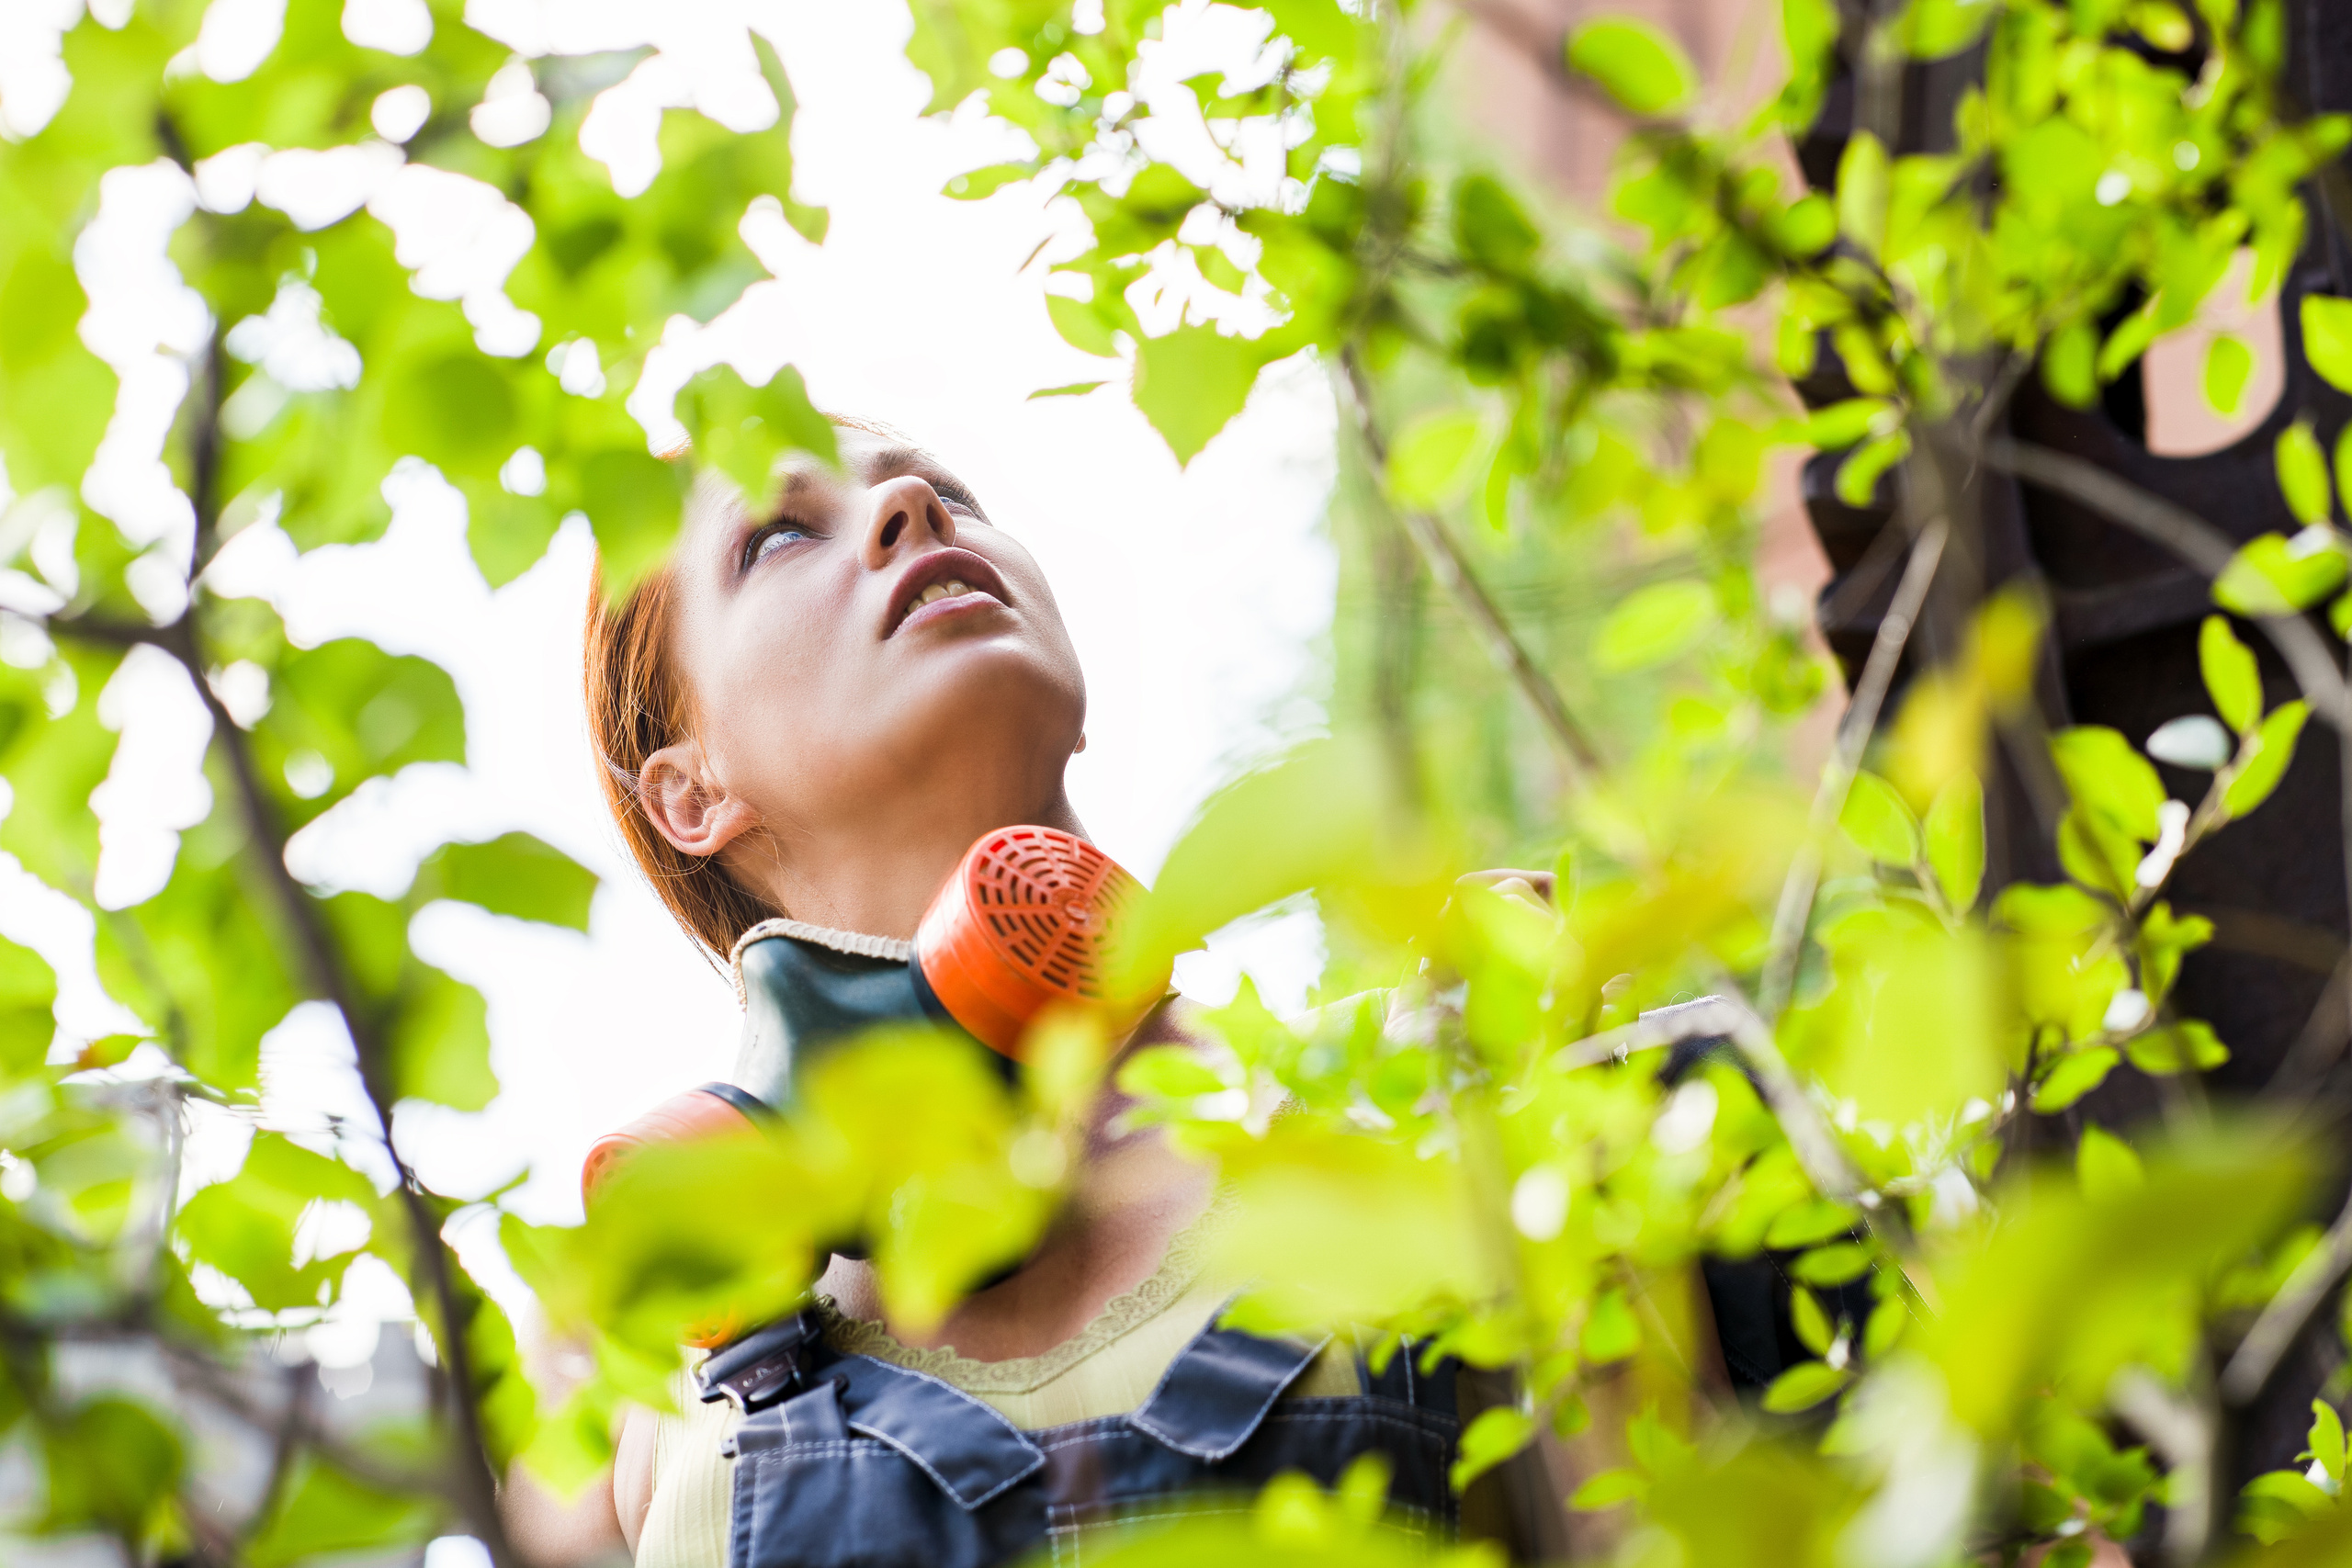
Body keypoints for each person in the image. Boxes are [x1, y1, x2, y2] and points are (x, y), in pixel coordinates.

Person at [500, 423, 1529, 1567]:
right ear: (688, 795)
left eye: (946, 491)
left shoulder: (1420, 1091)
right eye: (781, 534)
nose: (910, 506)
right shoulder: (636, 1389)